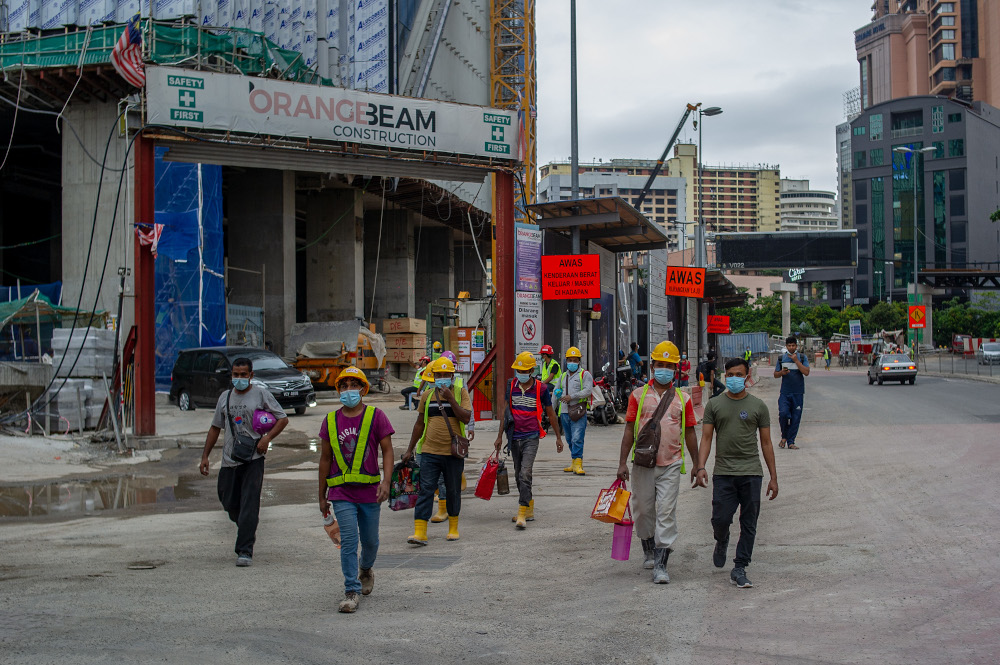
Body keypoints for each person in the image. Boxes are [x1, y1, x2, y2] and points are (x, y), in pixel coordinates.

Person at [617, 341, 699, 584]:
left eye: (669, 365)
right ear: (652, 366)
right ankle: (648, 549)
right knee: (642, 511)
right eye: (660, 364)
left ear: (676, 369)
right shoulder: (637, 395)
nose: (664, 369)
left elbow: (691, 433)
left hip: (671, 464)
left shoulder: (682, 399)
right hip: (642, 464)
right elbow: (630, 430)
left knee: (666, 513)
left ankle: (661, 565)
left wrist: (698, 464)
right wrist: (622, 463)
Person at [693, 358, 778, 589]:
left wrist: (773, 477)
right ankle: (721, 539)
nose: (733, 379)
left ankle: (740, 566)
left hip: (751, 473)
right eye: (729, 374)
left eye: (738, 374)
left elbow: (767, 443)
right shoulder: (714, 405)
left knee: (749, 522)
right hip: (724, 473)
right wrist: (701, 467)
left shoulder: (758, 406)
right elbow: (707, 438)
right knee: (720, 519)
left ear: (747, 375)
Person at [318, 367, 394, 613]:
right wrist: (321, 495)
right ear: (338, 389)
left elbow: (388, 451)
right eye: (344, 385)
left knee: (370, 541)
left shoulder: (376, 416)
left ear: (363, 389)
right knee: (349, 540)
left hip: (370, 491)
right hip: (341, 493)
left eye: (354, 384)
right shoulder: (330, 420)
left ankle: (365, 568)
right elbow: (325, 459)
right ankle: (351, 590)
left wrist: (386, 482)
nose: (349, 389)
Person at [199, 357, 289, 567]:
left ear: (251, 376)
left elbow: (282, 418)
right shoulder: (225, 397)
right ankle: (246, 526)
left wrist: (267, 439)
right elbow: (215, 427)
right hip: (230, 459)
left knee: (250, 503)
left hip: (253, 458)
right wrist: (205, 456)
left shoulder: (260, 394)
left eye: (243, 375)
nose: (239, 378)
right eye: (235, 374)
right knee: (228, 500)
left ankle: (245, 550)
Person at [401, 357, 471, 545]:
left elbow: (465, 417)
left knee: (453, 491)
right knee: (425, 490)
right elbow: (419, 423)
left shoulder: (461, 393)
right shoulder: (427, 396)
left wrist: (450, 399)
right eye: (438, 375)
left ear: (451, 375)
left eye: (445, 375)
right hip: (430, 451)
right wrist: (410, 449)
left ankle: (453, 528)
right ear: (433, 377)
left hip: (453, 453)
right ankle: (420, 532)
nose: (442, 378)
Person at [493, 351, 564, 529]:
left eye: (525, 371)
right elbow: (505, 413)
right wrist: (499, 436)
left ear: (532, 370)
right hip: (513, 435)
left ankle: (522, 512)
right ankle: (529, 506)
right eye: (519, 370)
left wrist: (557, 437)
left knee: (525, 472)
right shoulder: (511, 385)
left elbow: (550, 413)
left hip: (531, 436)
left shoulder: (541, 389)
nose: (521, 374)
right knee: (518, 474)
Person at [557, 346, 593, 476]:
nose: (572, 362)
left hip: (578, 412)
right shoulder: (562, 376)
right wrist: (556, 397)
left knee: (577, 438)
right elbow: (556, 393)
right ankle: (574, 461)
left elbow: (588, 391)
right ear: (566, 360)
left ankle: (578, 463)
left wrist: (572, 397)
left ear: (579, 361)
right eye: (570, 360)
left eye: (575, 360)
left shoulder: (585, 374)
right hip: (565, 412)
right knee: (569, 438)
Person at [773, 335, 810, 450]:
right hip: (785, 392)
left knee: (795, 418)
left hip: (798, 393)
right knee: (783, 414)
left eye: (793, 345)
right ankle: (784, 436)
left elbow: (806, 372)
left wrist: (796, 361)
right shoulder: (781, 358)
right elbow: (775, 375)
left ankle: (790, 442)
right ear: (786, 346)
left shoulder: (802, 358)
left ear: (796, 346)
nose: (791, 347)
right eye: (789, 345)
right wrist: (781, 373)